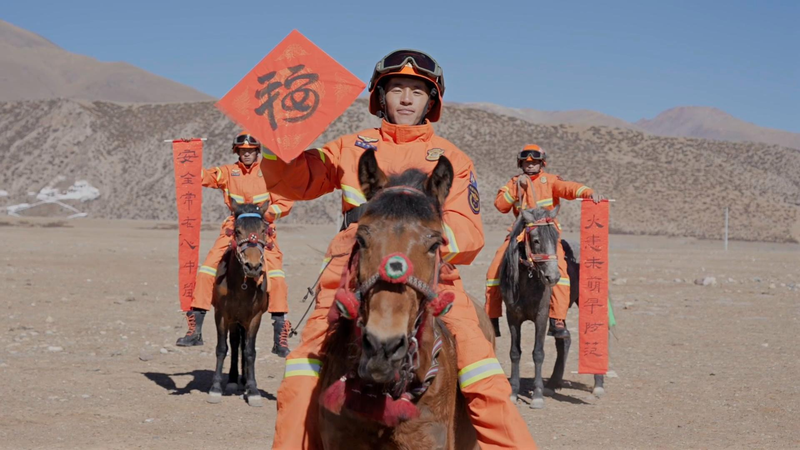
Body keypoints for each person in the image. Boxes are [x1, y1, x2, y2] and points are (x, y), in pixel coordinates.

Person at [261, 49, 538, 449]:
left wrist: (421, 248)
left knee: (485, 380)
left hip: (432, 278)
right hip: (349, 275)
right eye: (397, 90)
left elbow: (467, 230)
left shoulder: (452, 158)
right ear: (381, 97)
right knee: (300, 378)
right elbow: (293, 180)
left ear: (431, 101)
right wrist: (276, 137)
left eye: (416, 91)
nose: (406, 99)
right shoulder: (349, 147)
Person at [176, 132, 295, 358]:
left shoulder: (271, 172)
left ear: (257, 151)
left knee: (277, 279)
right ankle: (195, 330)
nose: (247, 153)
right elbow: (200, 176)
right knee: (206, 271)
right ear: (237, 152)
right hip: (234, 228)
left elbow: (285, 202)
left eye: (250, 150)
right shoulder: (227, 172)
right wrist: (187, 153)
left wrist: (265, 215)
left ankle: (280, 337)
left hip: (262, 230)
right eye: (242, 150)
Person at [484, 144, 605, 338]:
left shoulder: (550, 181)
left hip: (546, 234)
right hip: (521, 234)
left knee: (561, 272)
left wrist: (588, 192)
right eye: (526, 162)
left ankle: (557, 319)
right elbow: (500, 205)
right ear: (520, 163)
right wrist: (516, 188)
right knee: (494, 270)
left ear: (542, 163)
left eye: (535, 163)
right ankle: (492, 317)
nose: (530, 166)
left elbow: (569, 188)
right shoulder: (513, 182)